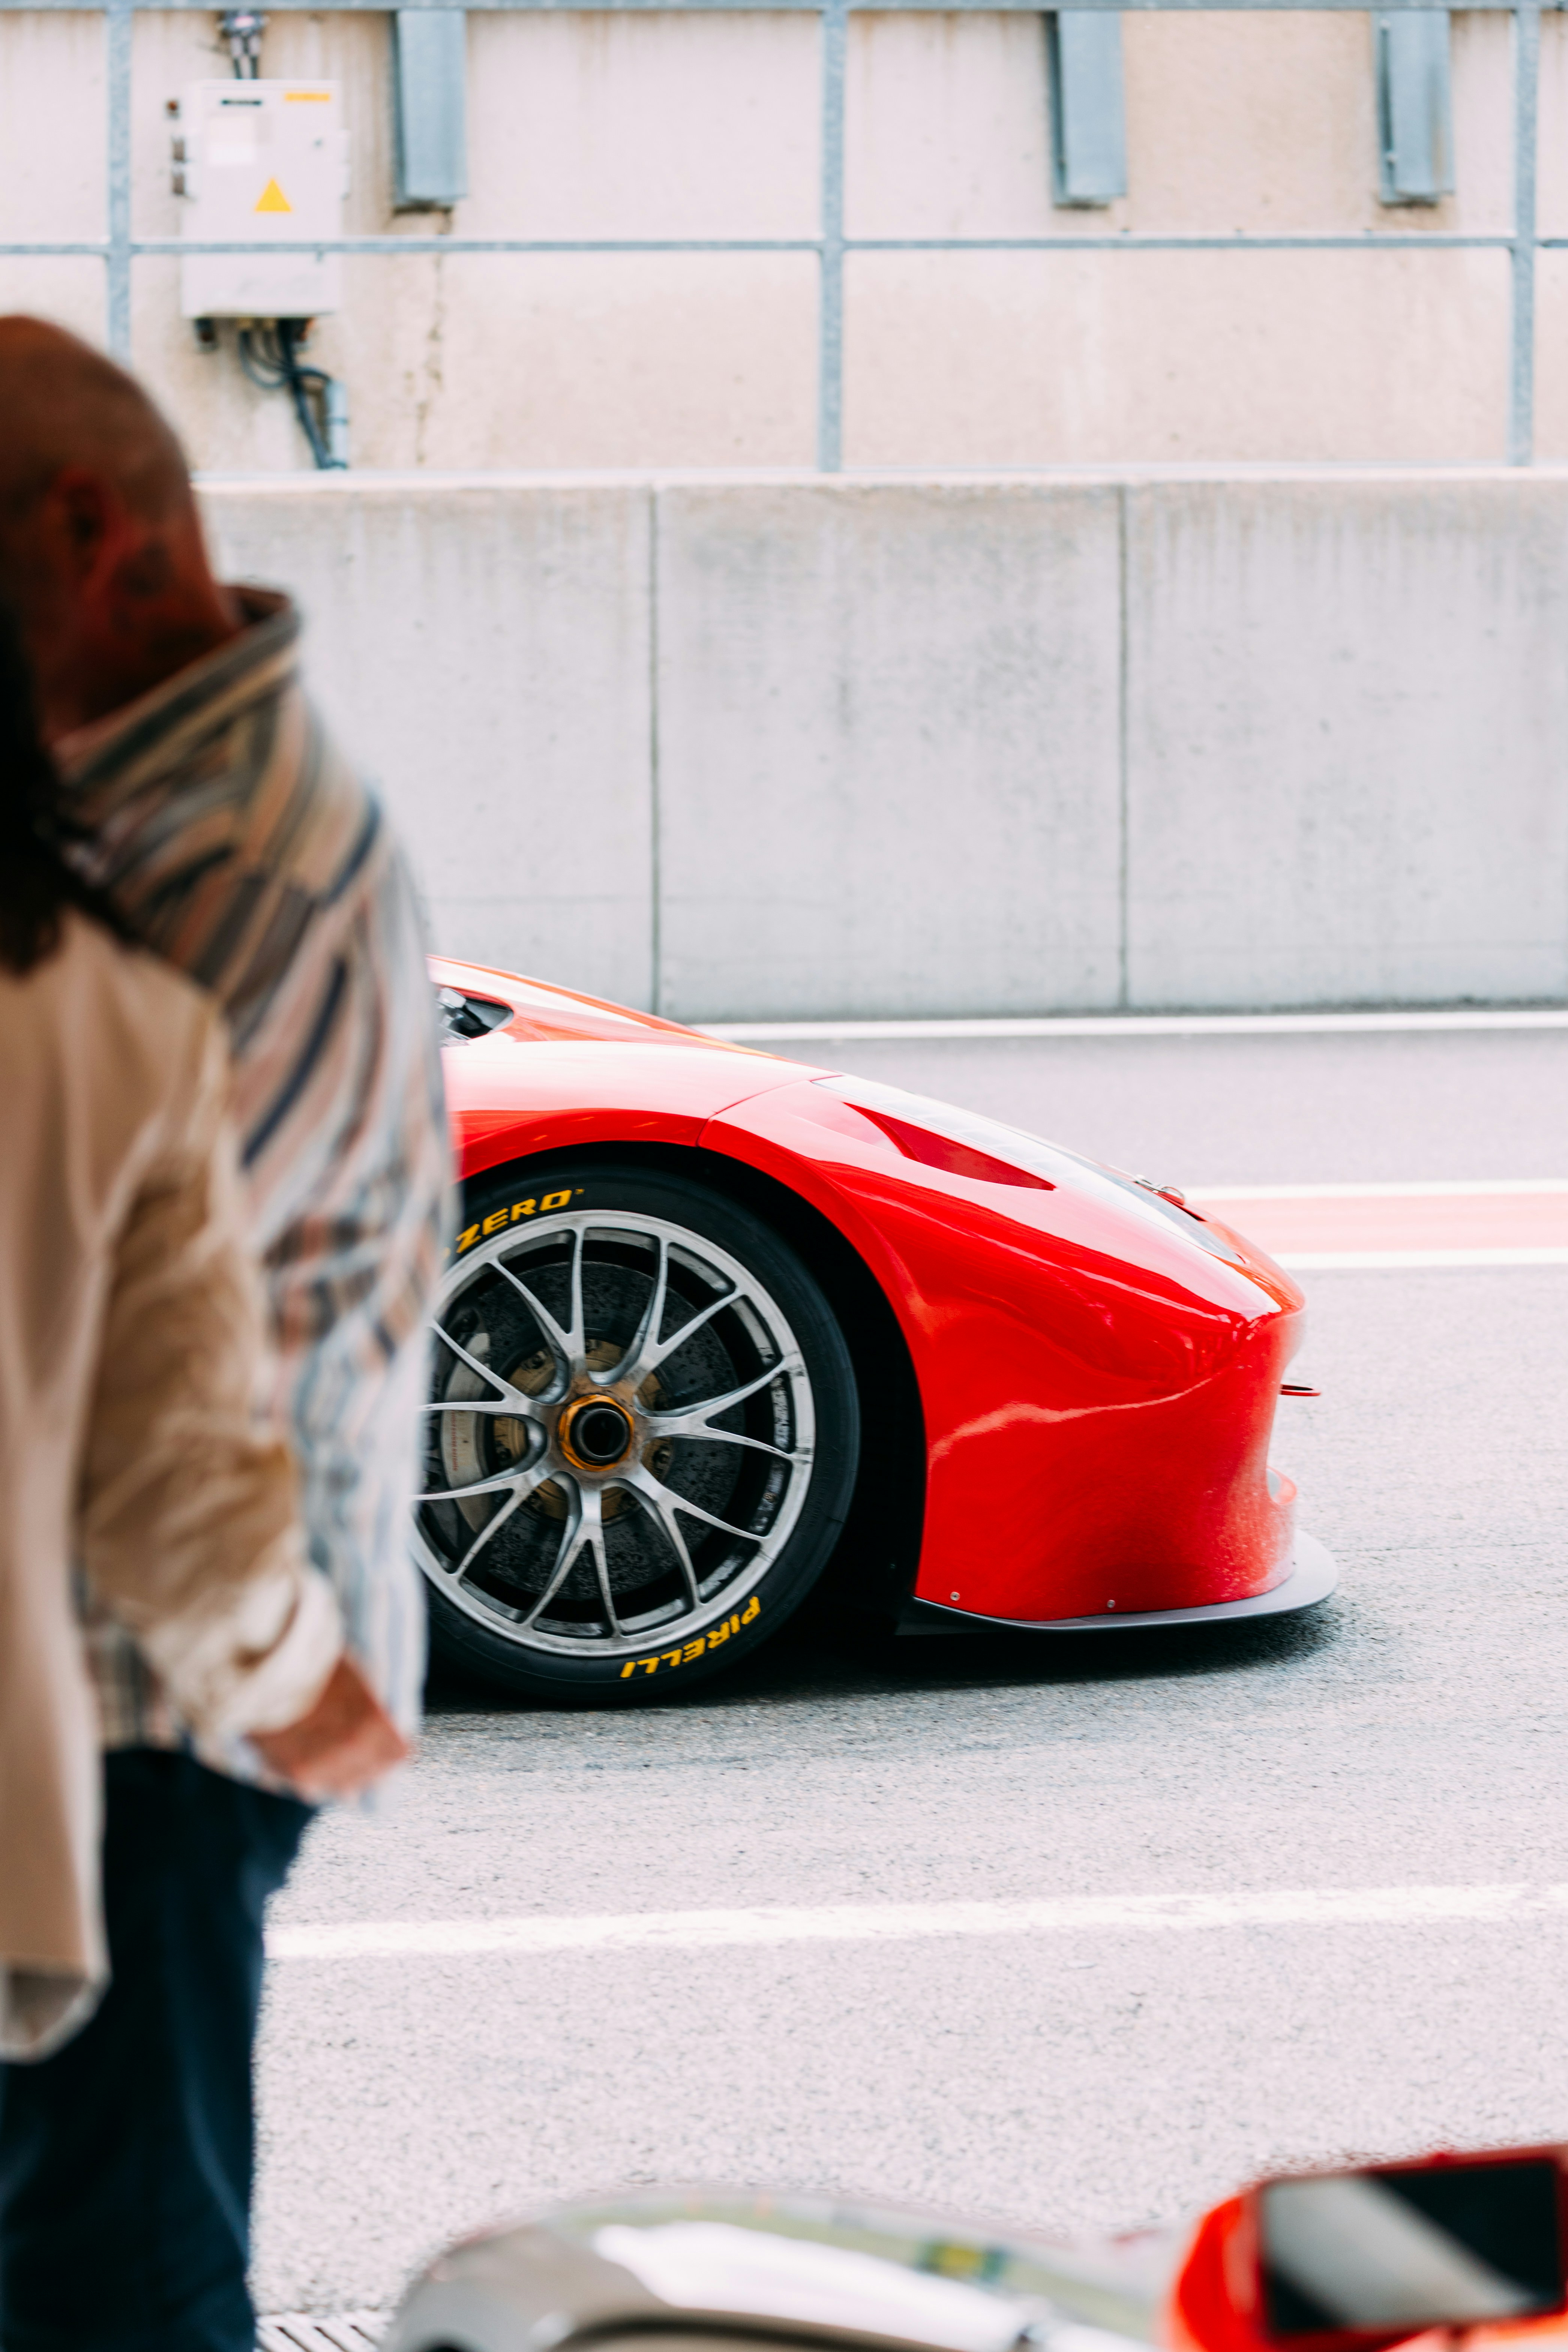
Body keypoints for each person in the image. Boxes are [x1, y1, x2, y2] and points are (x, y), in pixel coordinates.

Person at [0, 318, 452, 2352]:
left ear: (91, 530)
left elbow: (142, 1403)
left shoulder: (228, 871)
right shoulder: (94, 826)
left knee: (113, 2289)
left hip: (145, 1719)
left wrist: (304, 1699)